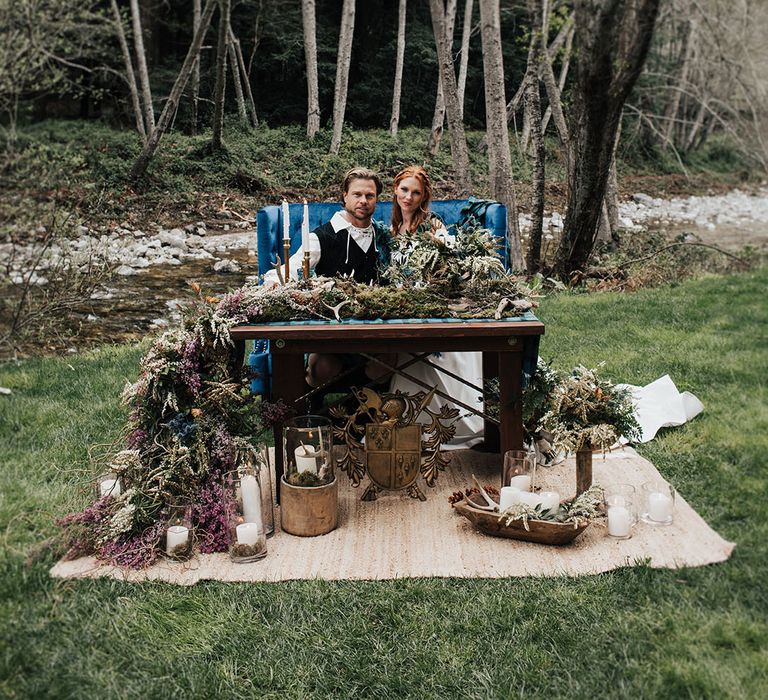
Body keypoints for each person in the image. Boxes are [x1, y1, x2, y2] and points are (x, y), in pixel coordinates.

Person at [262, 167, 394, 391]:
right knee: (323, 366)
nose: (363, 200)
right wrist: (273, 281)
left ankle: (370, 416)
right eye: (357, 194)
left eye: (370, 196)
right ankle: (314, 412)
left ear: (377, 199)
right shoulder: (320, 238)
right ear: (344, 196)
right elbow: (288, 271)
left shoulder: (383, 239)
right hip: (330, 337)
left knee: (390, 362)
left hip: (374, 334)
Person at [387, 165, 485, 449]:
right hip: (403, 304)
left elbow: (448, 263)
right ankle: (407, 417)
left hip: (430, 303)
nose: (408, 197)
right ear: (395, 190)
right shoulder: (392, 227)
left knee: (427, 355)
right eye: (404, 190)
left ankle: (447, 422)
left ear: (423, 197)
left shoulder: (432, 225)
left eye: (415, 193)